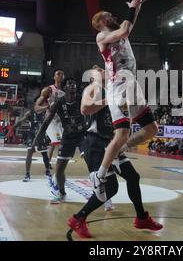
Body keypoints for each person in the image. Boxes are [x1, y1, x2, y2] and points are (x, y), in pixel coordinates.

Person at [68, 66, 162, 238]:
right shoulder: (93, 88)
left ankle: (141, 218)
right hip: (94, 142)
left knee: (133, 177)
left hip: (109, 142)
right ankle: (78, 218)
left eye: (102, 69)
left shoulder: (113, 90)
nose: (102, 70)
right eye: (97, 70)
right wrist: (109, 100)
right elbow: (85, 108)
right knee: (111, 188)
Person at [90, 0, 159, 202]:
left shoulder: (119, 30)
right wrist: (132, 9)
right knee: (121, 133)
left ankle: (121, 150)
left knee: (151, 128)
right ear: (101, 22)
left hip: (130, 82)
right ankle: (99, 176)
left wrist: (136, 5)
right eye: (107, 15)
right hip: (118, 85)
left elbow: (129, 26)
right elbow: (125, 31)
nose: (111, 15)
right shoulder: (102, 36)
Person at [32, 78, 88, 204]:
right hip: (67, 136)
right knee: (58, 171)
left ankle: (102, 193)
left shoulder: (82, 99)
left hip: (82, 135)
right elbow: (46, 122)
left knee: (92, 161)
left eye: (74, 84)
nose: (73, 85)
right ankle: (62, 193)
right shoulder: (58, 102)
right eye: (70, 84)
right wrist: (36, 139)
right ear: (65, 88)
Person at [7, 109, 51, 182]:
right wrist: (12, 128)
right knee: (29, 153)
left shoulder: (45, 111)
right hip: (32, 134)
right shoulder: (30, 112)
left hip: (41, 134)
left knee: (44, 153)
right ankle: (27, 174)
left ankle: (47, 171)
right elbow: (21, 121)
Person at [34, 69, 65, 165]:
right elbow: (36, 108)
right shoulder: (48, 89)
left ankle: (47, 162)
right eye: (58, 74)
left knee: (54, 143)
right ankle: (60, 167)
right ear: (54, 77)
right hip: (51, 120)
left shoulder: (64, 93)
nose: (60, 75)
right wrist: (48, 106)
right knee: (60, 143)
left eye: (62, 74)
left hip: (60, 120)